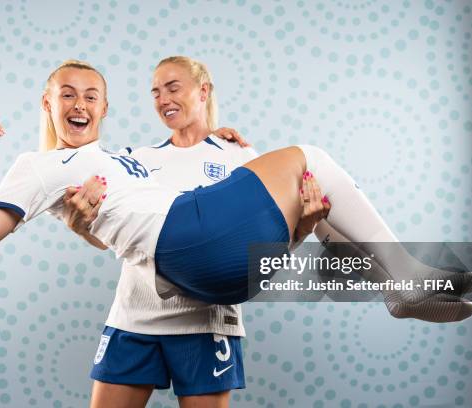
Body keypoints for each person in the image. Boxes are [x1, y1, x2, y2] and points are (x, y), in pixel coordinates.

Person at [0, 59, 472, 331]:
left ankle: (386, 276)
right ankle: (404, 275)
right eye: (66, 94)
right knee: (310, 156)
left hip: (211, 263)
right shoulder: (37, 166)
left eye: (91, 95)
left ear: (105, 108)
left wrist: (224, 148)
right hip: (190, 247)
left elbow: (125, 225)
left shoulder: (119, 157)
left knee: (313, 189)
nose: (80, 102)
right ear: (46, 105)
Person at [59, 56, 330, 407]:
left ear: (203, 91)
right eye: (156, 92)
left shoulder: (242, 157)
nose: (163, 99)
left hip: (207, 325)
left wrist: (305, 227)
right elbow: (109, 239)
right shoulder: (137, 160)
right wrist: (80, 227)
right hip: (134, 318)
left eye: (173, 88)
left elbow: (263, 250)